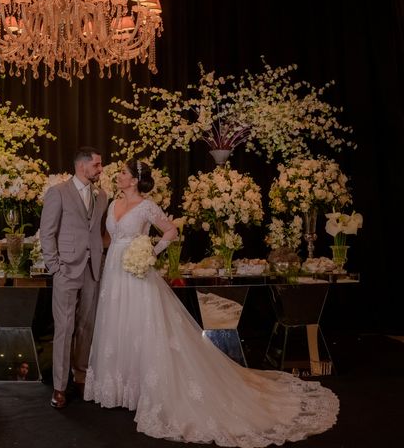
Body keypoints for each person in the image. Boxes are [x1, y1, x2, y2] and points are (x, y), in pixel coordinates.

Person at [84, 159, 339, 447]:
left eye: (123, 173)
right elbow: (109, 237)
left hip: (137, 272)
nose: (118, 176)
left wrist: (150, 250)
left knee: (141, 326)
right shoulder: (112, 204)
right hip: (114, 272)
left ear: (134, 179)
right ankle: (121, 389)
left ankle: (147, 390)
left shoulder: (147, 206)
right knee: (117, 324)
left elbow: (171, 231)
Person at [40, 146, 107, 409]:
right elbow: (47, 232)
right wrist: (55, 266)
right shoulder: (58, 193)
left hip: (92, 270)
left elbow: (98, 232)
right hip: (66, 269)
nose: (101, 170)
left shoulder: (102, 196)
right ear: (82, 166)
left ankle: (81, 377)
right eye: (98, 165)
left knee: (86, 326)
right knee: (64, 328)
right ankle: (59, 385)